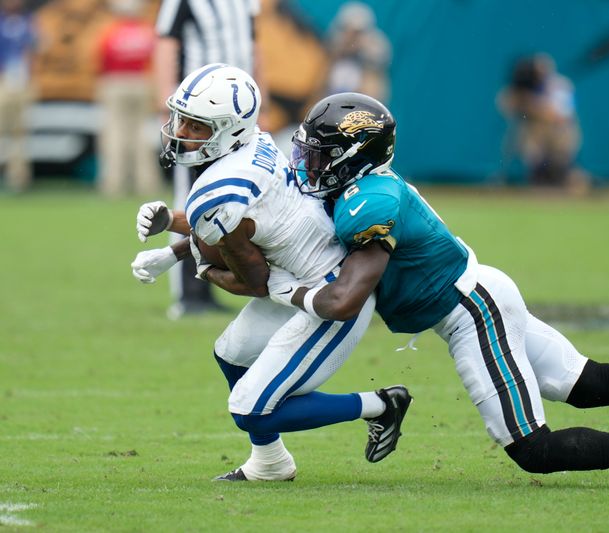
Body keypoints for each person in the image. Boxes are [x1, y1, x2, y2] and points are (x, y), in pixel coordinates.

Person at [276, 92, 609, 491]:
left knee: (532, 448)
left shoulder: (369, 201)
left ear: (355, 156)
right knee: (584, 384)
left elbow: (344, 300)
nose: (308, 164)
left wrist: (286, 290)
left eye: (319, 155)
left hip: (469, 311)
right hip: (479, 292)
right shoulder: (359, 191)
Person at [131, 64, 412, 481]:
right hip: (305, 269)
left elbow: (253, 282)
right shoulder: (256, 144)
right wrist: (174, 238)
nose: (180, 132)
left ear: (228, 130)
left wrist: (201, 269)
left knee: (249, 409)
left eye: (196, 125)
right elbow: (246, 222)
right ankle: (271, 463)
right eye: (182, 119)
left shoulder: (218, 194)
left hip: (329, 294)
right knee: (232, 353)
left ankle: (381, 404)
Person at [153, 0, 266, 319]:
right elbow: (166, 42)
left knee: (236, 197)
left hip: (235, 115)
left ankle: (218, 283)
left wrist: (263, 104)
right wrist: (167, 105)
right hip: (199, 114)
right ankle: (189, 294)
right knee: (192, 197)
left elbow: (254, 46)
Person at [95, 0, 159, 198]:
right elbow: (154, 58)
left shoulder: (110, 32)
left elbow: (101, 59)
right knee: (142, 134)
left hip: (115, 82)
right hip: (141, 82)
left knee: (115, 134)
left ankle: (113, 183)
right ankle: (146, 183)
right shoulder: (147, 31)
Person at [497, 54, 584, 189]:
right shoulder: (521, 87)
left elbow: (561, 115)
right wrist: (520, 99)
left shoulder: (560, 85)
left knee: (560, 172)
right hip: (536, 135)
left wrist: (531, 104)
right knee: (538, 173)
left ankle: (578, 181)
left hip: (560, 133)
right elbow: (504, 105)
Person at [0, 0, 36, 193]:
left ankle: (18, 178)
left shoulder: (28, 21)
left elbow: (35, 47)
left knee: (19, 132)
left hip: (23, 81)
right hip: (3, 79)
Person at [324, 1, 391, 102]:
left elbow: (380, 59)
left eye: (357, 33)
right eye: (348, 31)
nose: (352, 37)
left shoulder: (374, 50)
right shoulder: (334, 45)